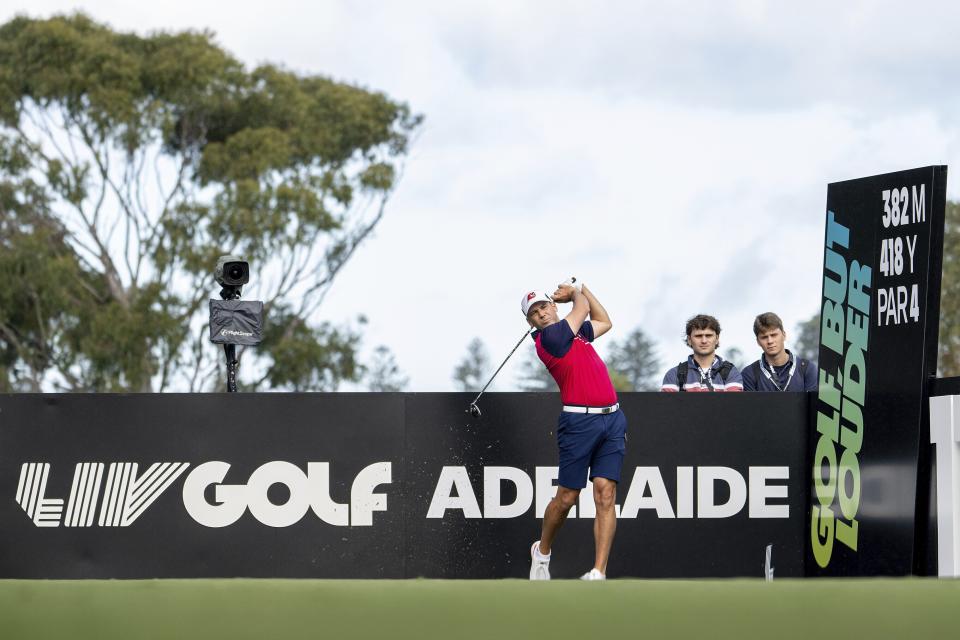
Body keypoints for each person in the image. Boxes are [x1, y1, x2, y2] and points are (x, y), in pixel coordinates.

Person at [521, 280, 626, 581]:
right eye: (533, 314)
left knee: (606, 494)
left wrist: (584, 286)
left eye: (543, 306)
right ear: (531, 322)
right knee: (567, 498)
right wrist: (574, 294)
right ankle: (542, 551)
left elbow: (604, 320)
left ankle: (598, 571)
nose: (540, 314)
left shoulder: (576, 332)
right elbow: (581, 309)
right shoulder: (550, 338)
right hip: (578, 423)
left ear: (552, 307)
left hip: (613, 419)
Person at [661, 314, 743, 392]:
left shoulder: (731, 372)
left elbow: (733, 405)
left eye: (708, 335)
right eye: (698, 336)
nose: (704, 341)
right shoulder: (674, 374)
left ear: (717, 338)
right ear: (689, 340)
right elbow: (668, 406)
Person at [741, 312, 817, 392]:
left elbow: (813, 404)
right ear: (758, 342)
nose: (770, 341)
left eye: (774, 335)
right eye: (764, 337)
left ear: (784, 335)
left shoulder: (807, 369)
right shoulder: (749, 374)